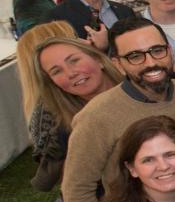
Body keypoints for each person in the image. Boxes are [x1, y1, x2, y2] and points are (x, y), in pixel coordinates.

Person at [63, 18, 175, 202]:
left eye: (157, 50)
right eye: (135, 56)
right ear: (118, 64)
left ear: (169, 51)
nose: (150, 62)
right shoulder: (96, 117)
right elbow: (77, 189)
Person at [25, 35, 120, 192]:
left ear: (98, 59)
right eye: (56, 71)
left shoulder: (143, 89)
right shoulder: (64, 129)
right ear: (54, 83)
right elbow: (74, 191)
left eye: (74, 60)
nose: (70, 73)